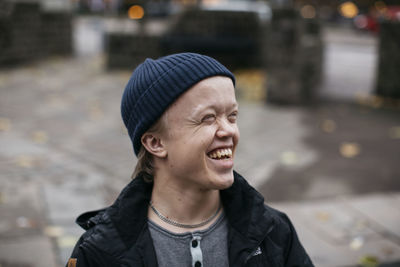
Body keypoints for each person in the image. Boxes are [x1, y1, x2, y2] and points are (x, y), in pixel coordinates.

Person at [66, 53, 314, 267]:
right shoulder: (100, 252)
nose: (228, 130)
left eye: (232, 116)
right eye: (208, 118)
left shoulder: (274, 233)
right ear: (155, 143)